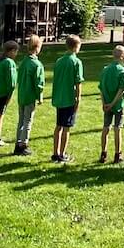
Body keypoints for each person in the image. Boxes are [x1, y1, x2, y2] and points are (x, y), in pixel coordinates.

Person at [50, 34, 84, 163]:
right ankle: (62, 154)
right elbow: (78, 81)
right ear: (76, 47)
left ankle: (55, 153)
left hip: (59, 97)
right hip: (69, 98)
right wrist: (78, 98)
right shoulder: (76, 62)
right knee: (66, 127)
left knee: (58, 126)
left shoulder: (59, 61)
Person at [13, 34, 45, 156]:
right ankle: (23, 144)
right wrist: (40, 96)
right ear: (37, 47)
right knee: (28, 121)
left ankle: (18, 142)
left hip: (22, 95)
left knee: (21, 120)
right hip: (30, 96)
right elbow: (38, 83)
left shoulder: (23, 62)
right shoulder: (36, 65)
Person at [99, 44, 124, 164]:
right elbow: (121, 90)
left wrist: (105, 103)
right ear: (122, 57)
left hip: (106, 104)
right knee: (118, 128)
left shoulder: (105, 70)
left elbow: (101, 88)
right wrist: (113, 103)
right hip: (118, 105)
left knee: (106, 127)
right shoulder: (123, 72)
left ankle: (103, 153)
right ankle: (118, 154)